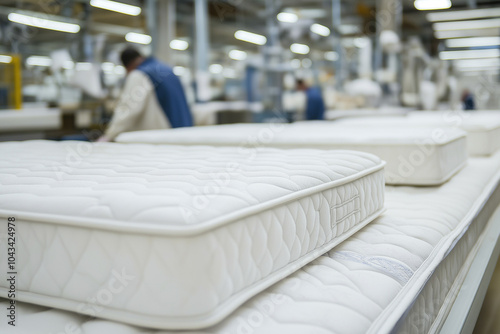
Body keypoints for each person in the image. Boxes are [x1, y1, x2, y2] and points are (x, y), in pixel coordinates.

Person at [98, 47, 193, 142]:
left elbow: (128, 109)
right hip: (182, 132)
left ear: (127, 67)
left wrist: (109, 135)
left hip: (164, 136)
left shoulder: (139, 74)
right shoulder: (166, 69)